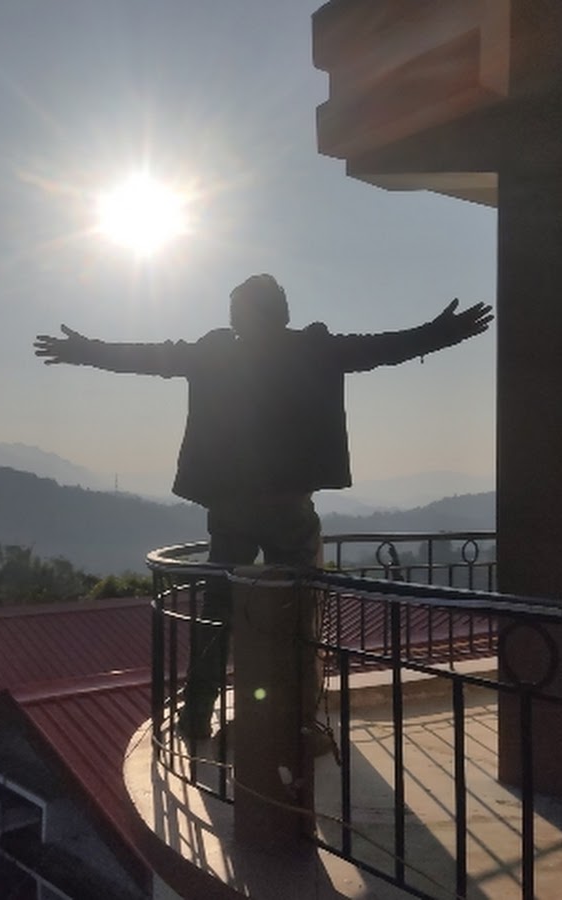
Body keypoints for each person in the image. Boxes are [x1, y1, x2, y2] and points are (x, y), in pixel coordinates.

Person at [34, 274, 492, 737]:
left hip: (230, 510)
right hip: (289, 509)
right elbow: (382, 348)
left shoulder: (217, 354)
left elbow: (151, 357)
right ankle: (291, 719)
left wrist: (85, 350)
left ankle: (198, 716)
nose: (232, 318)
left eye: (235, 310)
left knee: (217, 612)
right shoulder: (311, 350)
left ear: (242, 315)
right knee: (295, 612)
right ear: (282, 312)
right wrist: (441, 333)